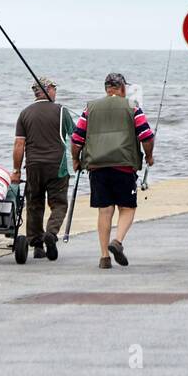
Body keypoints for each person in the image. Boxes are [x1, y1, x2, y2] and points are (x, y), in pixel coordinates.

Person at [71, 72, 154, 269]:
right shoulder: (132, 107)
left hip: (97, 167)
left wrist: (76, 159)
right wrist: (149, 156)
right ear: (123, 88)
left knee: (105, 210)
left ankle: (104, 258)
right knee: (127, 208)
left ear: (106, 89)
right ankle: (117, 242)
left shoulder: (90, 108)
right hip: (124, 166)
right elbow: (147, 136)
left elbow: (77, 139)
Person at [12, 77, 74, 261]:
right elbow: (75, 138)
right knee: (59, 203)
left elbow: (19, 144)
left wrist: (16, 170)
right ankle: (52, 233)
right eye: (54, 88)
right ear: (47, 90)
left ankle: (37, 244)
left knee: (34, 204)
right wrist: (79, 161)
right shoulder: (62, 111)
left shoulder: (24, 114)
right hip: (57, 166)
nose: (55, 91)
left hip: (33, 166)